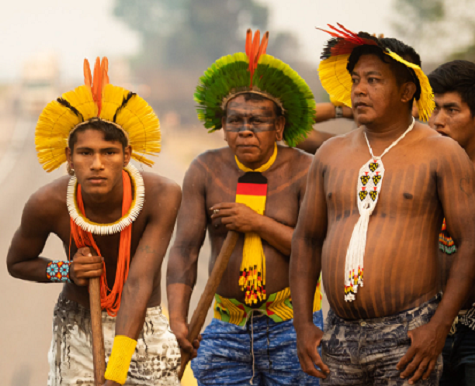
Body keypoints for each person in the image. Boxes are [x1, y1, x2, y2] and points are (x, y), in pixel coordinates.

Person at [291, 24, 475, 385]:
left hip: (409, 337)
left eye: (374, 80)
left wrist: (437, 328)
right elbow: (307, 240)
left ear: (407, 90)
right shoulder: (330, 154)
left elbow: (470, 241)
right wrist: (302, 325)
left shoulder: (441, 152)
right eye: (356, 79)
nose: (359, 89)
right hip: (338, 334)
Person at [6, 57, 182, 386]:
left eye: (109, 152)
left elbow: (138, 282)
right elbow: (17, 263)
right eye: (85, 153)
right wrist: (65, 270)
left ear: (127, 155)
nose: (97, 164)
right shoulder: (47, 203)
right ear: (69, 160)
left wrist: (115, 375)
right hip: (78, 326)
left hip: (145, 324)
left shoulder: (162, 195)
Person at [166, 30, 321, 385]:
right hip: (225, 324)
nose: (245, 131)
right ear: (222, 127)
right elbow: (185, 249)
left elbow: (318, 250)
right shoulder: (205, 169)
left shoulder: (305, 169)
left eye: (258, 122)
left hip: (292, 325)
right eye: (235, 121)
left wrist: (257, 223)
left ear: (280, 127)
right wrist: (179, 319)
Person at [426, 60, 475, 386]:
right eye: (434, 109)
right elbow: (303, 138)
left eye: (452, 110)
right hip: (424, 328)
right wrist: (343, 109)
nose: (438, 121)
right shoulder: (418, 167)